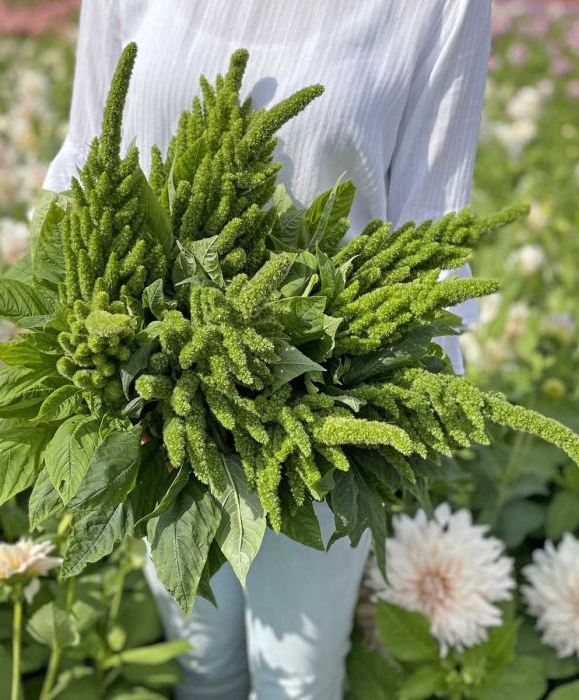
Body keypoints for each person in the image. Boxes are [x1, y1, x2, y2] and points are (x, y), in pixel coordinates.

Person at [44, 2, 492, 698]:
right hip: (152, 398)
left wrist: (423, 406)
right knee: (199, 665)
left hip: (324, 411)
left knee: (297, 681)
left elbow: (433, 229)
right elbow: (86, 161)